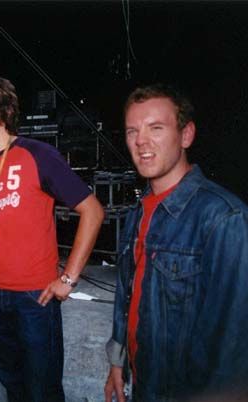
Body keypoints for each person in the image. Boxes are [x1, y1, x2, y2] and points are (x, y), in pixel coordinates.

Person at [0, 74, 104, 402]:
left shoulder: (37, 154)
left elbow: (93, 211)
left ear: (2, 111)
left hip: (34, 298)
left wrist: (68, 278)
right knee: (13, 386)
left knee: (42, 391)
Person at [104, 84, 248, 402]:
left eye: (156, 128)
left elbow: (234, 350)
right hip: (144, 383)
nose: (141, 141)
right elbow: (128, 298)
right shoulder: (137, 212)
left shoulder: (224, 218)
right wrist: (118, 361)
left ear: (186, 135)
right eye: (132, 131)